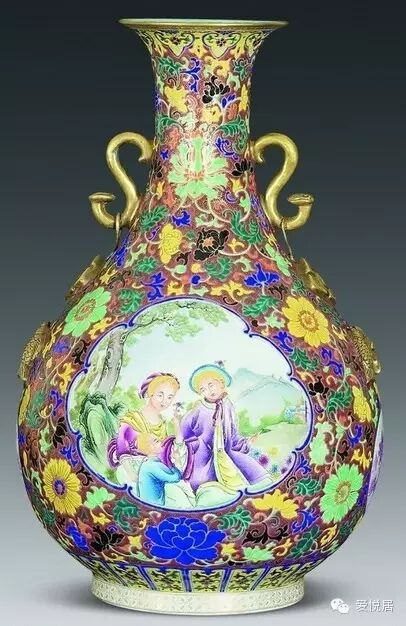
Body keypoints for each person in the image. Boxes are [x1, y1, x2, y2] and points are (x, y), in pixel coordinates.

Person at [180, 363, 268, 492]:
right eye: (203, 389)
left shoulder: (228, 405)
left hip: (225, 451)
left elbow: (232, 432)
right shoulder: (199, 409)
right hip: (203, 453)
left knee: (249, 471)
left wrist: (246, 442)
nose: (209, 391)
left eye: (211, 385)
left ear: (221, 383)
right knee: (202, 481)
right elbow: (185, 426)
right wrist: (192, 443)